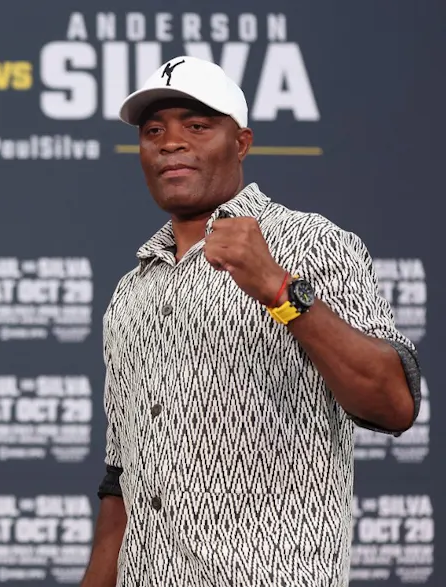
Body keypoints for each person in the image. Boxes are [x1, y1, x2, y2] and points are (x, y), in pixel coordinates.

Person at [81, 56, 422, 587]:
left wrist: (278, 289)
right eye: (154, 131)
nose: (170, 142)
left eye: (196, 126)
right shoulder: (132, 292)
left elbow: (394, 403)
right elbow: (122, 477)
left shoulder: (312, 243)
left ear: (241, 143)